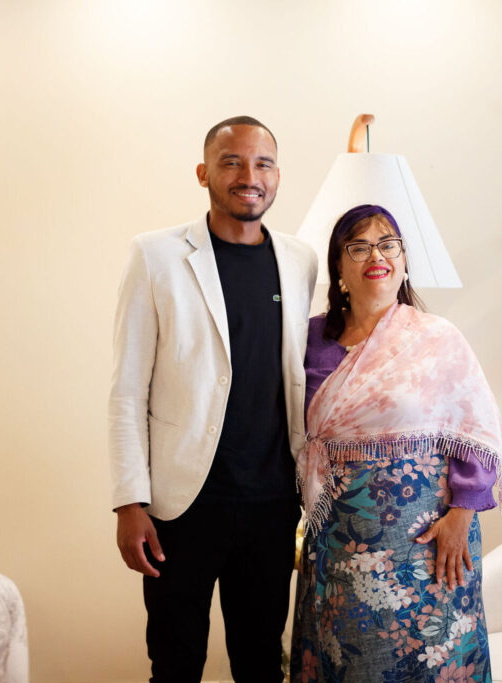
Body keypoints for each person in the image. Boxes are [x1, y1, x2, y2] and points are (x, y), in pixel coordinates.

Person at [108, 115, 317, 682]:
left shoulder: (300, 260)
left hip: (272, 503)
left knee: (260, 662)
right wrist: (129, 501)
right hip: (181, 505)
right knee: (175, 663)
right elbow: (127, 391)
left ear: (277, 176)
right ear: (203, 173)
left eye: (263, 164)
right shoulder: (155, 255)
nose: (249, 176)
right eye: (232, 162)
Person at [290, 204, 502, 682]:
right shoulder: (308, 341)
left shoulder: (436, 339)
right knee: (352, 662)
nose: (377, 255)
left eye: (388, 244)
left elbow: (477, 432)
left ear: (404, 259)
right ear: (339, 267)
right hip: (339, 545)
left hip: (429, 542)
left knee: (433, 661)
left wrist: (461, 517)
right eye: (359, 246)